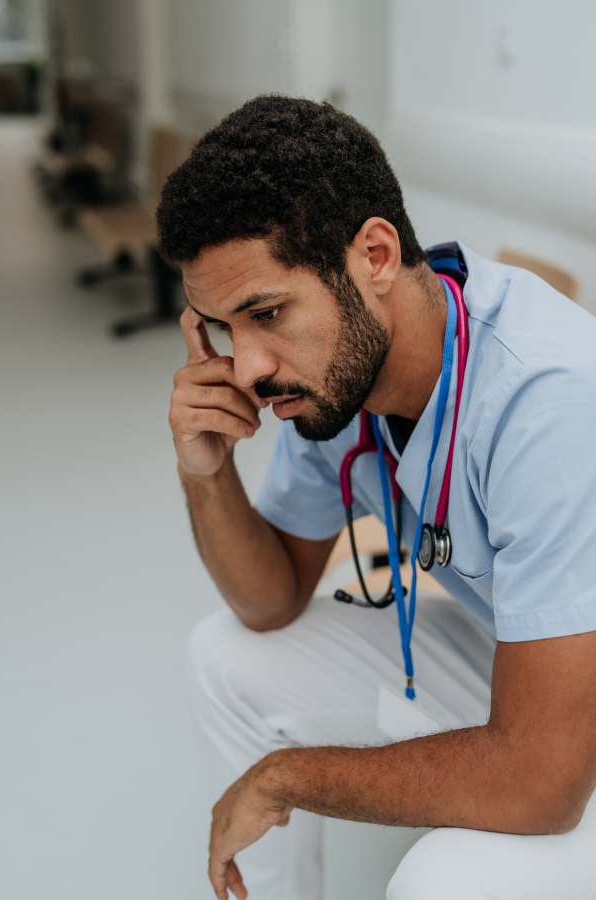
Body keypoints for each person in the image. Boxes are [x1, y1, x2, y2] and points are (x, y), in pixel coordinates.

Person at [156, 96, 596, 900]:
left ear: (377, 255)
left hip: (572, 729)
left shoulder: (551, 400)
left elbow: (543, 782)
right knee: (225, 657)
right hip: (536, 663)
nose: (247, 368)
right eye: (224, 328)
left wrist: (287, 776)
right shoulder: (334, 380)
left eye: (267, 313)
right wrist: (205, 469)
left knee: (443, 881)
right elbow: (271, 600)